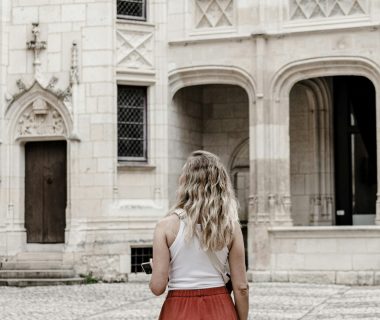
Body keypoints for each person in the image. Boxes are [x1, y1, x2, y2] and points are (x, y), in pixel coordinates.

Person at [149, 150, 249, 320]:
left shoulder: (164, 226)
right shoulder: (231, 227)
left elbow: (157, 288)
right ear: (221, 185)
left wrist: (156, 270)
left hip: (178, 310)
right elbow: (241, 287)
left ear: (185, 183)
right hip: (220, 307)